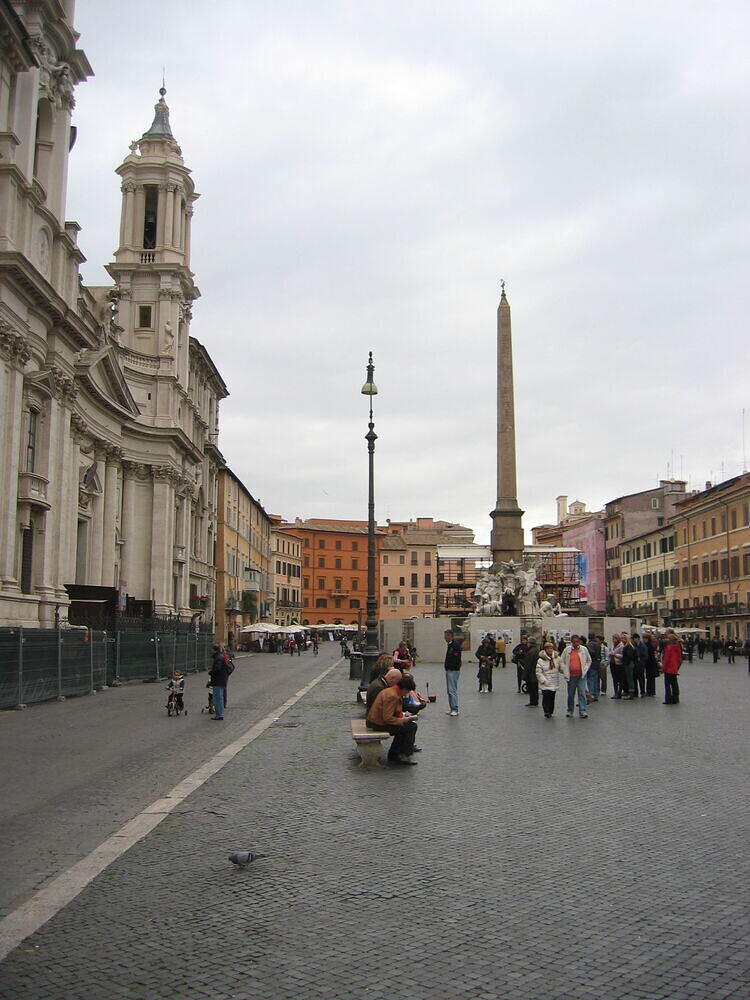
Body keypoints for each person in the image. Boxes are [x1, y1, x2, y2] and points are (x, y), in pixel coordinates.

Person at [366, 668, 418, 765]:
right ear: (405, 689)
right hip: (378, 723)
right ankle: (403, 755)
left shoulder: (391, 690)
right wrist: (402, 720)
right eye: (407, 692)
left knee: (405, 727)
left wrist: (401, 717)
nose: (407, 694)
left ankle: (395, 754)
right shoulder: (393, 696)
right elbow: (387, 718)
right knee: (411, 727)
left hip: (376, 720)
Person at [560, 634, 591, 718]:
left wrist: (585, 669)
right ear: (571, 642)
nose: (575, 643)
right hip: (571, 675)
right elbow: (562, 661)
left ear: (579, 641)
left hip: (581, 675)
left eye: (577, 641)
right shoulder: (567, 650)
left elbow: (589, 660)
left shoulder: (584, 649)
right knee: (571, 694)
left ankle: (582, 710)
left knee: (581, 693)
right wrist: (564, 669)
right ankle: (570, 710)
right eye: (574, 642)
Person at [536, 641, 563, 718]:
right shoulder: (540, 660)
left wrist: (565, 670)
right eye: (548, 649)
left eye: (551, 648)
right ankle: (546, 711)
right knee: (546, 697)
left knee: (552, 697)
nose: (550, 650)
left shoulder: (557, 658)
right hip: (545, 682)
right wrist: (543, 680)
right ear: (545, 650)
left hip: (554, 682)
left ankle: (550, 711)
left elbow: (561, 668)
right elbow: (538, 672)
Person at [209, 644, 230, 721]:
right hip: (221, 680)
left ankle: (219, 714)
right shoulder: (220, 657)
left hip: (218, 680)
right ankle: (219, 714)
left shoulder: (218, 658)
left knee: (217, 698)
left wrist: (211, 672)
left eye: (211, 649)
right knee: (218, 698)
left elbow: (217, 669)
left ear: (214, 650)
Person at [444, 629, 462, 717]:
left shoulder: (455, 645)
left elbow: (456, 659)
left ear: (450, 636)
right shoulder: (450, 645)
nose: (444, 638)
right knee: (449, 690)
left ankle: (455, 708)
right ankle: (452, 708)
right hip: (449, 670)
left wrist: (451, 667)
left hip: (453, 670)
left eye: (446, 636)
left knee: (452, 690)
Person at [662, 632, 682, 704]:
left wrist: (663, 668)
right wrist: (677, 667)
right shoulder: (678, 647)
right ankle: (676, 698)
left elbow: (666, 659)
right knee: (674, 684)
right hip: (674, 668)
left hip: (668, 668)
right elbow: (680, 659)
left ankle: (668, 699)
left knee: (667, 685)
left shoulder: (669, 648)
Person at [522, 636, 540, 707]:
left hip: (531, 673)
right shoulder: (536, 650)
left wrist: (525, 675)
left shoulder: (531, 652)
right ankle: (535, 701)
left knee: (532, 688)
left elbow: (528, 664)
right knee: (535, 687)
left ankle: (533, 702)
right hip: (535, 672)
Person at [586, 634, 602, 701]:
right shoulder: (598, 644)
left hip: (592, 664)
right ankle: (595, 695)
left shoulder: (589, 645)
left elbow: (591, 653)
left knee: (590, 680)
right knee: (595, 680)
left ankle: (591, 694)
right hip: (597, 663)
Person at [633, 633, 649, 698]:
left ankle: (642, 692)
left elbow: (645, 656)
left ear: (638, 638)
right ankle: (635, 692)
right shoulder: (634, 645)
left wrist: (641, 661)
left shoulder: (642, 645)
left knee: (641, 679)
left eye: (635, 639)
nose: (634, 640)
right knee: (634, 679)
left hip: (640, 665)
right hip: (635, 664)